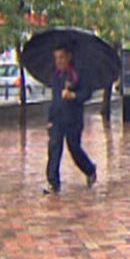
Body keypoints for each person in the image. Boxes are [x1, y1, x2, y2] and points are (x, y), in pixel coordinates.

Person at [43, 43, 97, 194]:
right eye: (56, 58)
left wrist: (73, 95)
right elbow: (54, 100)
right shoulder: (56, 76)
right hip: (57, 119)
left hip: (73, 119)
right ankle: (53, 182)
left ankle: (90, 169)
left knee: (74, 147)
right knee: (54, 147)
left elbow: (86, 93)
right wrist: (50, 119)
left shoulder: (78, 73)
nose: (58, 61)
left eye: (61, 57)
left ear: (68, 57)